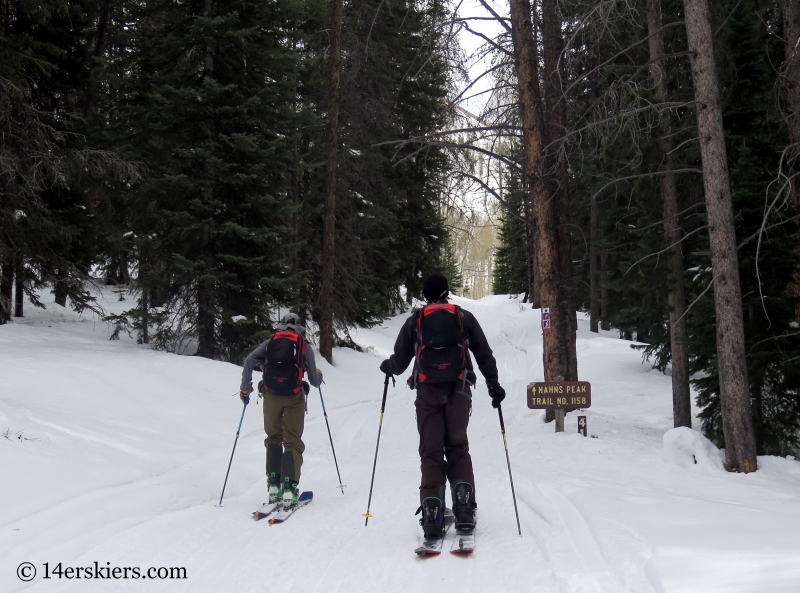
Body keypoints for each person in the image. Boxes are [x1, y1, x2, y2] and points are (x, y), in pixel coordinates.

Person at [379, 273, 505, 539]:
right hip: (459, 390)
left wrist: (387, 367)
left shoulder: (416, 321)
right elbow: (484, 354)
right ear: (447, 292)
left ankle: (433, 514)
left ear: (425, 295)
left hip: (427, 392)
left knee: (431, 452)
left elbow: (400, 362)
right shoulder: (463, 317)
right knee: (457, 447)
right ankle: (464, 509)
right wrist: (494, 386)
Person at [239, 312, 322, 508]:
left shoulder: (270, 342)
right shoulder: (303, 345)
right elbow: (313, 380)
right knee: (292, 441)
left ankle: (274, 486)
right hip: (293, 397)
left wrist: (245, 387)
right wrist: (318, 376)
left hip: (270, 396)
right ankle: (289, 489)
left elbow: (249, 361)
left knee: (273, 438)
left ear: (282, 325)